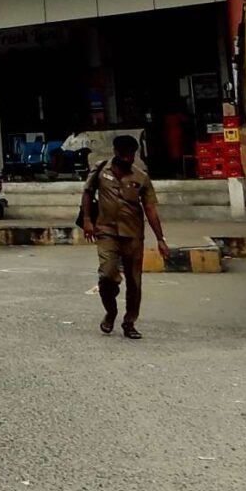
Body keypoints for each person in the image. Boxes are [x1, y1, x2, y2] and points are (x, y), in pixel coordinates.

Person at [81, 134, 169, 339]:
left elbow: (150, 208)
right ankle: (110, 312)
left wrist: (160, 239)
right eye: (126, 154)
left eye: (132, 154)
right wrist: (87, 220)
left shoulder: (141, 177)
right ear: (116, 152)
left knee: (134, 281)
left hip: (133, 234)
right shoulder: (101, 170)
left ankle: (130, 322)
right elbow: (87, 193)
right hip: (106, 232)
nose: (129, 158)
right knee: (107, 274)